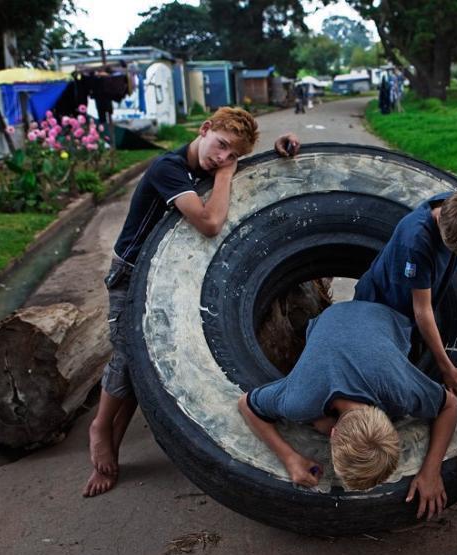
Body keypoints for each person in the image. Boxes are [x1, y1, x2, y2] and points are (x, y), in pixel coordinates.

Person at [83, 107, 301, 497]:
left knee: (141, 356)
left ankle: (112, 441)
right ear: (203, 130)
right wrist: (225, 174)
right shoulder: (168, 167)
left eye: (233, 155)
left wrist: (281, 146)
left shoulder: (210, 160)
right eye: (220, 146)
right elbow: (209, 222)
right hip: (131, 273)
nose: (222, 158)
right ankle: (100, 427)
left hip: (166, 272)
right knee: (127, 354)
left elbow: (247, 164)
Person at [237, 300, 457, 520]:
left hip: (385, 316)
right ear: (334, 433)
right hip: (333, 319)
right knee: (317, 419)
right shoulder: (300, 400)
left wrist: (431, 469)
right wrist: (289, 457)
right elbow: (246, 404)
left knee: (320, 420)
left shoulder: (399, 388)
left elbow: (450, 405)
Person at [353, 189, 457, 404]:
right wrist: (447, 369)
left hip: (417, 299)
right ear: (441, 225)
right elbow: (423, 310)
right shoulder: (415, 241)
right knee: (379, 371)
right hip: (381, 303)